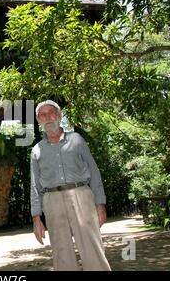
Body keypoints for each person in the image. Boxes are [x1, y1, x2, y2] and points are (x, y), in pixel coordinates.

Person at [30, 100, 111, 271]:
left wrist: (100, 204)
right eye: (42, 115)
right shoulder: (36, 150)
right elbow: (35, 186)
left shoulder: (77, 140)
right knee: (61, 252)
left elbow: (94, 172)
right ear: (38, 120)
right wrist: (37, 218)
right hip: (52, 201)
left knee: (92, 247)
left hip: (81, 195)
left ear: (58, 116)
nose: (48, 117)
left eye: (51, 112)